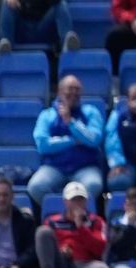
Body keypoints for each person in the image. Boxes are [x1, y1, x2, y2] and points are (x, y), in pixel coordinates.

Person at [28, 76, 106, 211]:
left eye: (77, 89)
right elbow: (43, 145)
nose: (74, 93)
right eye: (70, 89)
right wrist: (73, 141)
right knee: (36, 186)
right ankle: (62, 215)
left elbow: (94, 139)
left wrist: (70, 122)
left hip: (85, 167)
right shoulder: (47, 115)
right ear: (60, 91)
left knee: (94, 184)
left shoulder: (91, 112)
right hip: (54, 167)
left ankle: (75, 216)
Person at [36, 182, 111, 268]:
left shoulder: (96, 221)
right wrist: (61, 251)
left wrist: (81, 228)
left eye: (80, 199)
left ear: (86, 201)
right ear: (65, 202)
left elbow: (100, 249)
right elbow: (47, 247)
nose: (77, 203)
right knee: (42, 231)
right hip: (62, 264)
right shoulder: (52, 222)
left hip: (86, 265)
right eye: (73, 200)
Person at [0, 0, 79, 53]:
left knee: (61, 5)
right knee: (6, 4)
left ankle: (67, 44)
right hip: (21, 30)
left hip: (43, 28)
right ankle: (6, 46)